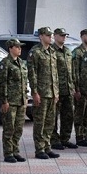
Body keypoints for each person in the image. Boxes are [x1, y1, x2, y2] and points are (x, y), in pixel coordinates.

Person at [27, 26, 60, 159]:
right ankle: (39, 149)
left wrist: (56, 92)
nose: (50, 37)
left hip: (52, 93)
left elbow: (55, 74)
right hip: (41, 93)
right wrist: (35, 92)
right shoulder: (35, 52)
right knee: (40, 122)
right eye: (48, 35)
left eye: (51, 35)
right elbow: (32, 74)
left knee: (50, 122)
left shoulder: (52, 51)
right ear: (41, 36)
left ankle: (47, 146)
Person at [0, 39, 28, 163]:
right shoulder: (5, 63)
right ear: (10, 48)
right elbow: (2, 83)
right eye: (17, 47)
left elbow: (24, 82)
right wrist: (4, 101)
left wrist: (25, 98)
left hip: (21, 101)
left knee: (18, 128)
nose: (20, 49)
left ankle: (15, 151)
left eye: (20, 47)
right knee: (9, 128)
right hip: (10, 101)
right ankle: (8, 153)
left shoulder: (22, 63)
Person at [51, 28, 78, 150]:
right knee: (53, 116)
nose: (64, 37)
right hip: (57, 89)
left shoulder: (67, 51)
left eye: (65, 35)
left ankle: (65, 139)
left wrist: (74, 86)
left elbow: (72, 70)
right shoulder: (51, 51)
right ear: (55, 36)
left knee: (68, 115)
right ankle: (54, 140)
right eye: (61, 35)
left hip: (68, 88)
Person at [72, 28, 87, 146]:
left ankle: (86, 135)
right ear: (82, 37)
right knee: (80, 114)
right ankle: (79, 136)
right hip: (81, 88)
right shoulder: (77, 52)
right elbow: (75, 71)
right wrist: (77, 89)